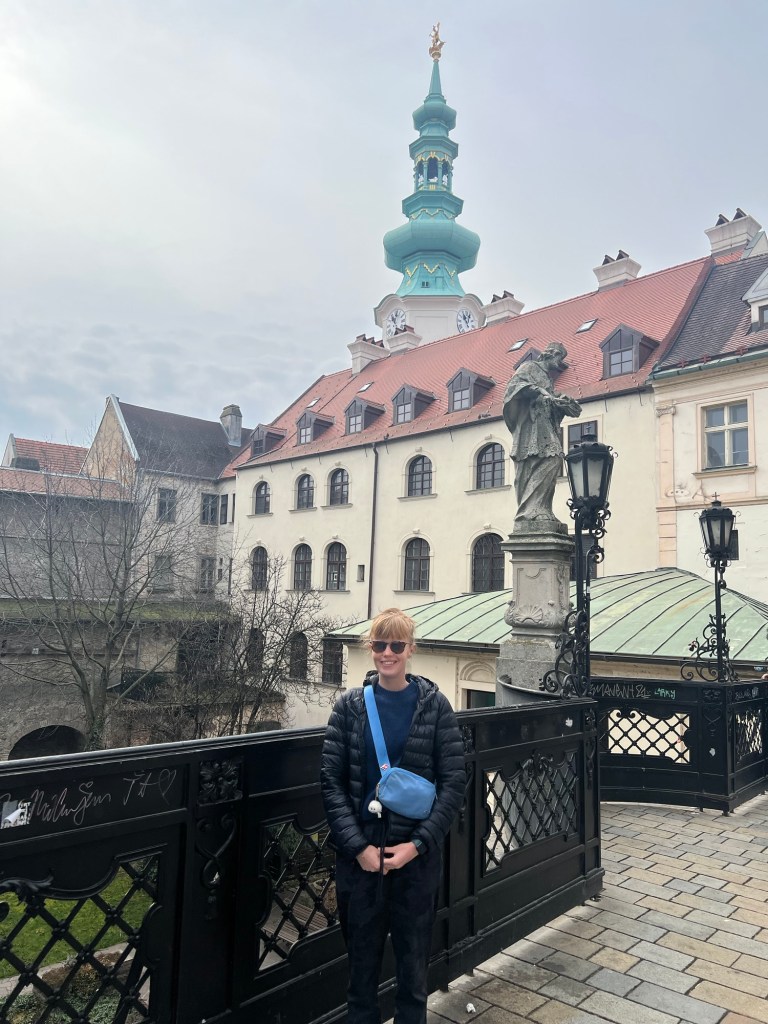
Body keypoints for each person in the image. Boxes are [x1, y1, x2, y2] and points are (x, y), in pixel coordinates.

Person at [321, 608, 465, 1024]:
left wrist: (416, 846)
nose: (388, 653)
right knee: (360, 977)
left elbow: (454, 782)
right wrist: (359, 848)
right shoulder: (349, 707)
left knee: (414, 975)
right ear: (370, 649)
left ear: (410, 649)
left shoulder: (435, 706)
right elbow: (330, 782)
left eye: (396, 645)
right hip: (361, 861)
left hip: (414, 862)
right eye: (380, 644)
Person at [502, 341, 582, 527]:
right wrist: (538, 391)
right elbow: (513, 387)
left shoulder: (548, 378)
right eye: (559, 358)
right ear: (551, 354)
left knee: (552, 459)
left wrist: (559, 403)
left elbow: (548, 403)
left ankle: (542, 509)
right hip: (530, 426)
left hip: (544, 424)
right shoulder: (530, 367)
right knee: (548, 460)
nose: (559, 363)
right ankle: (530, 511)